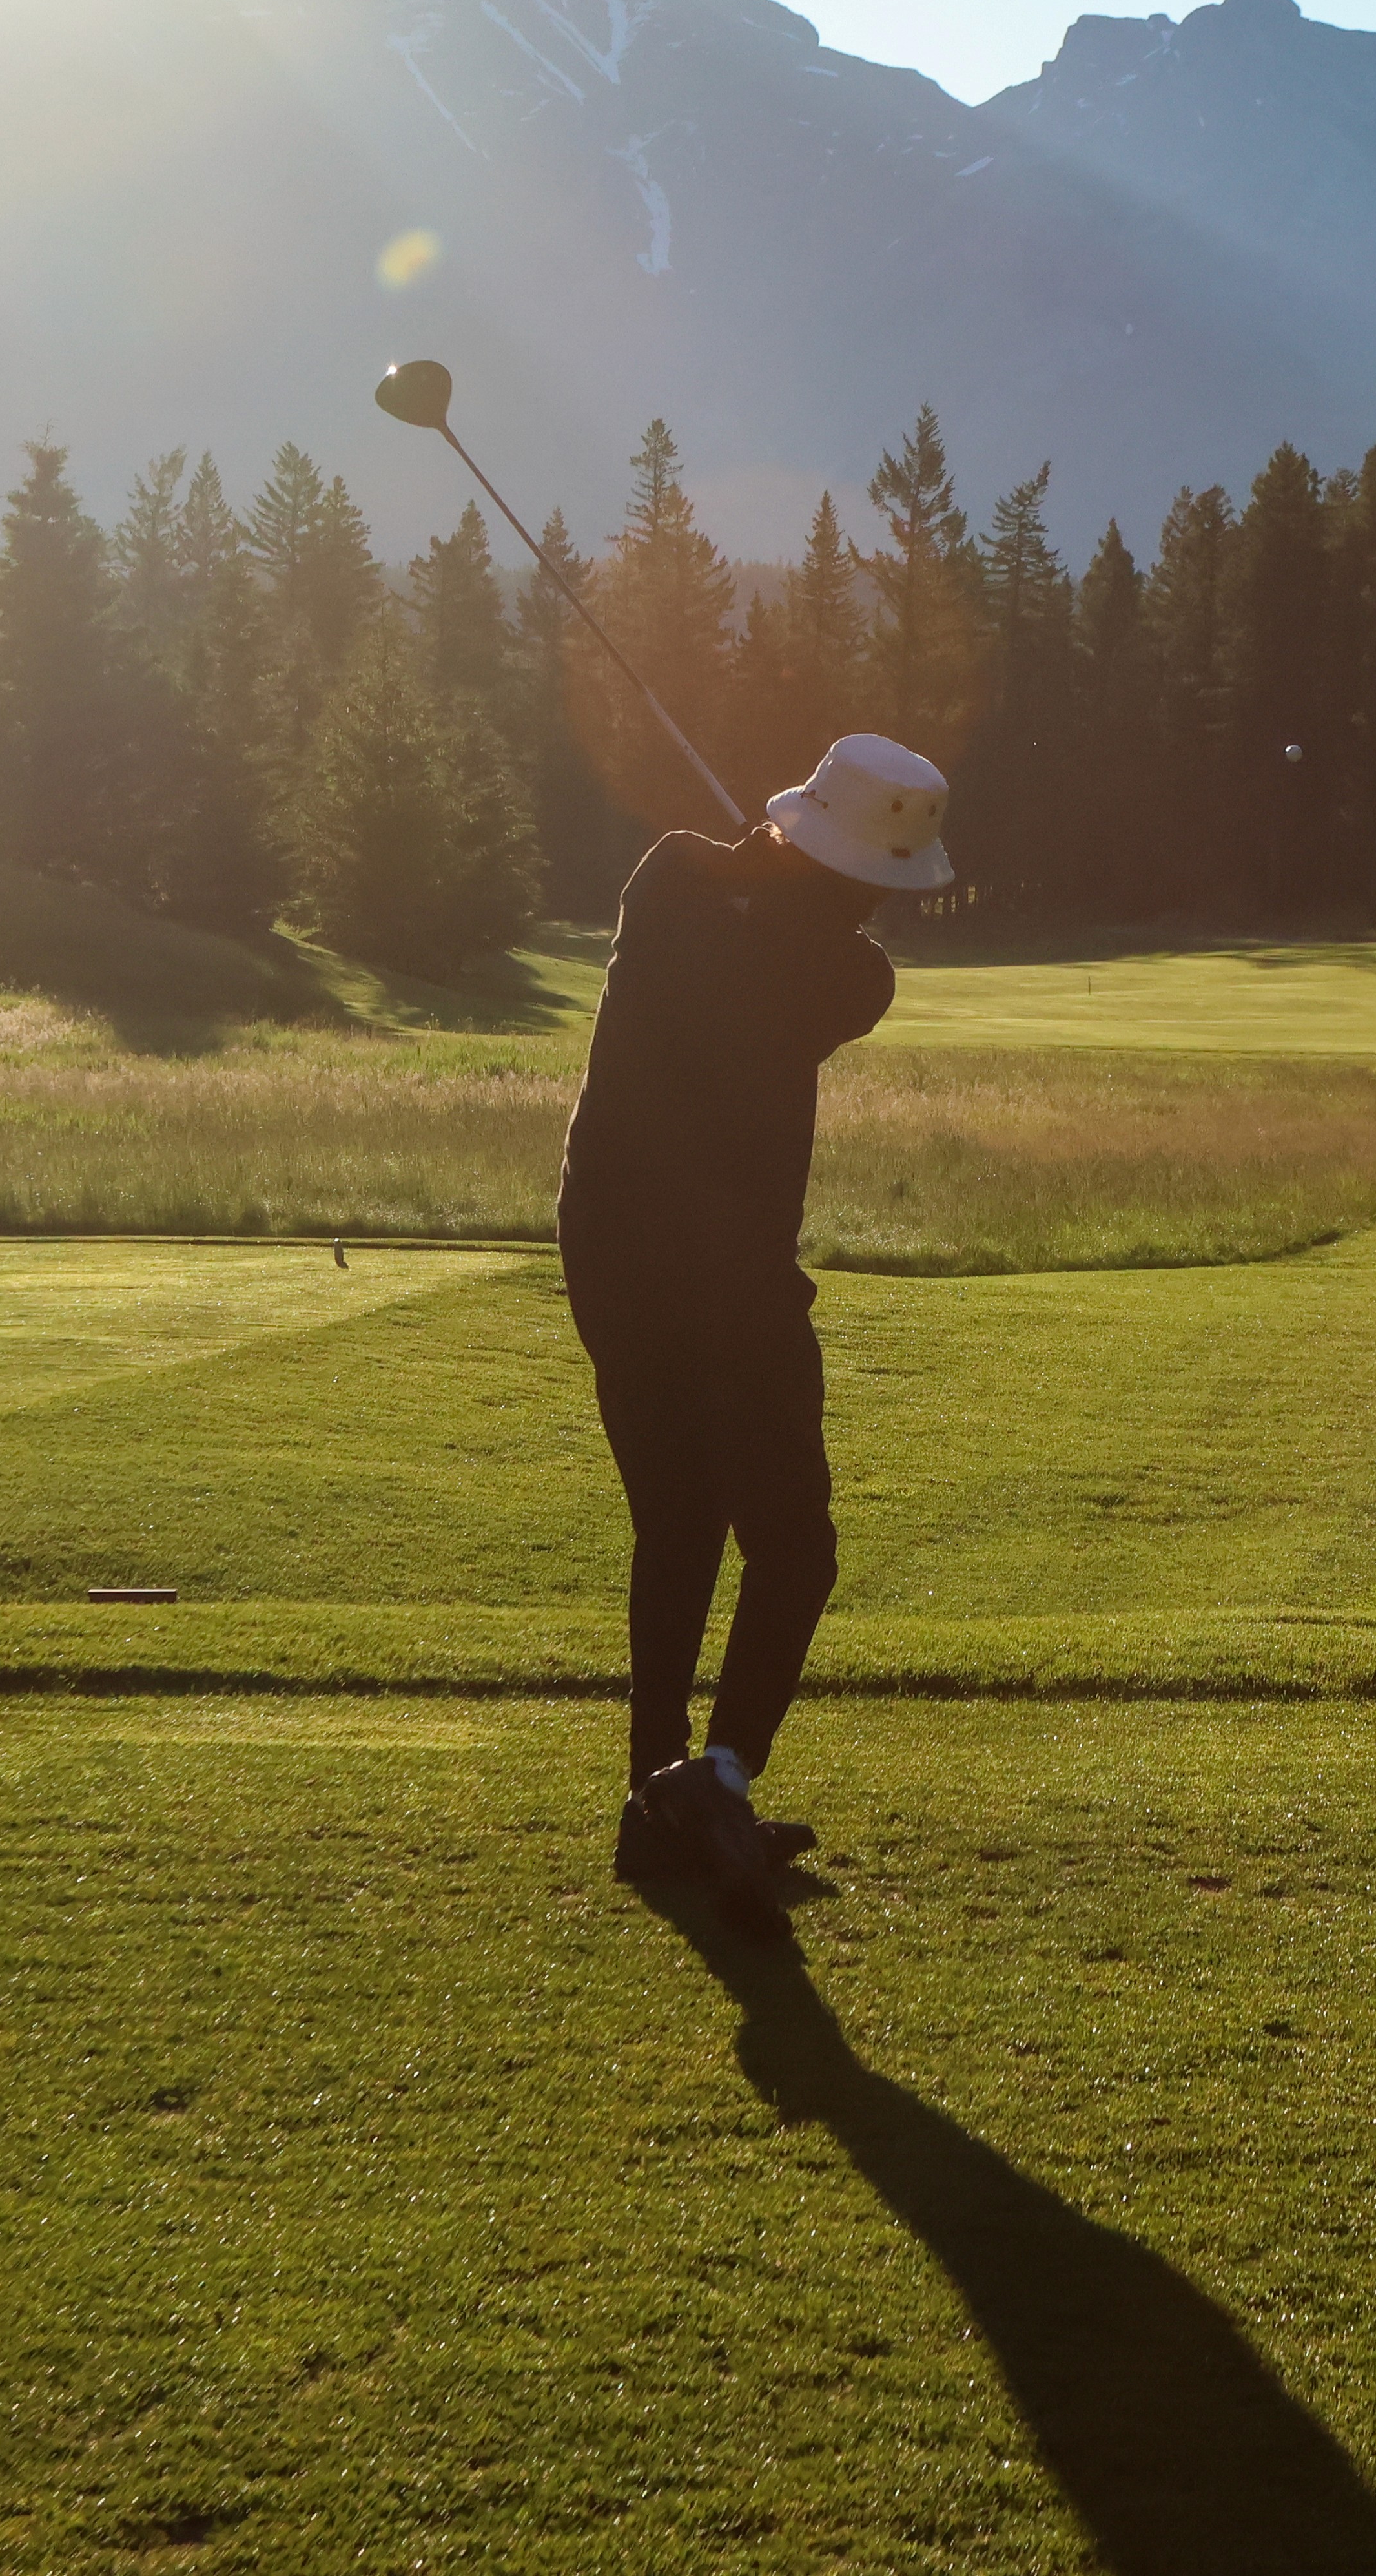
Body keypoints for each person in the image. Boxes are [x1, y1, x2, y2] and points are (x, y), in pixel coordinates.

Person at [565, 732, 952, 1927]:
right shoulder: (837, 971)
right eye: (879, 880)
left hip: (611, 1254)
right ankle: (717, 1779)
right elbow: (783, 949)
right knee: (796, 1548)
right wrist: (790, 889)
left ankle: (657, 1799)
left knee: (677, 1524)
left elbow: (713, 891)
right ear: (851, 876)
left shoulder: (670, 881)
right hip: (719, 1278)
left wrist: (768, 872)